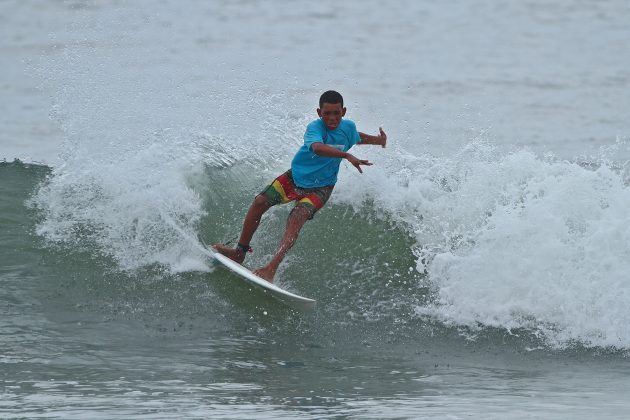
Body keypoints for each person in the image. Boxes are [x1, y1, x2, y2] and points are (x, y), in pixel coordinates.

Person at [213, 90, 387, 282]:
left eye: (337, 113)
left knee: (297, 217)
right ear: (319, 112)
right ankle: (239, 252)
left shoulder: (348, 128)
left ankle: (271, 268)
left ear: (344, 111)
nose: (332, 118)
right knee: (260, 201)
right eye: (327, 113)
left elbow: (356, 137)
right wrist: (346, 155)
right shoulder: (315, 128)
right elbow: (317, 148)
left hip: (321, 188)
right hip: (295, 178)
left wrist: (379, 140)